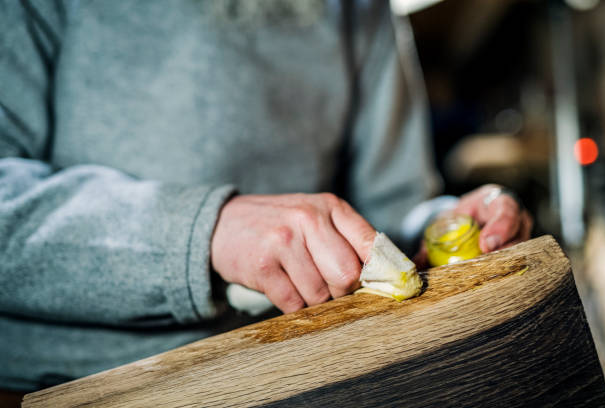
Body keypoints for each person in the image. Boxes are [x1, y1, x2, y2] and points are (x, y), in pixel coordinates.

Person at [0, 0, 532, 394]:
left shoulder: (364, 13)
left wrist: (445, 224)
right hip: (69, 389)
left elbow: (392, 211)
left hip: (295, 377)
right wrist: (207, 231)